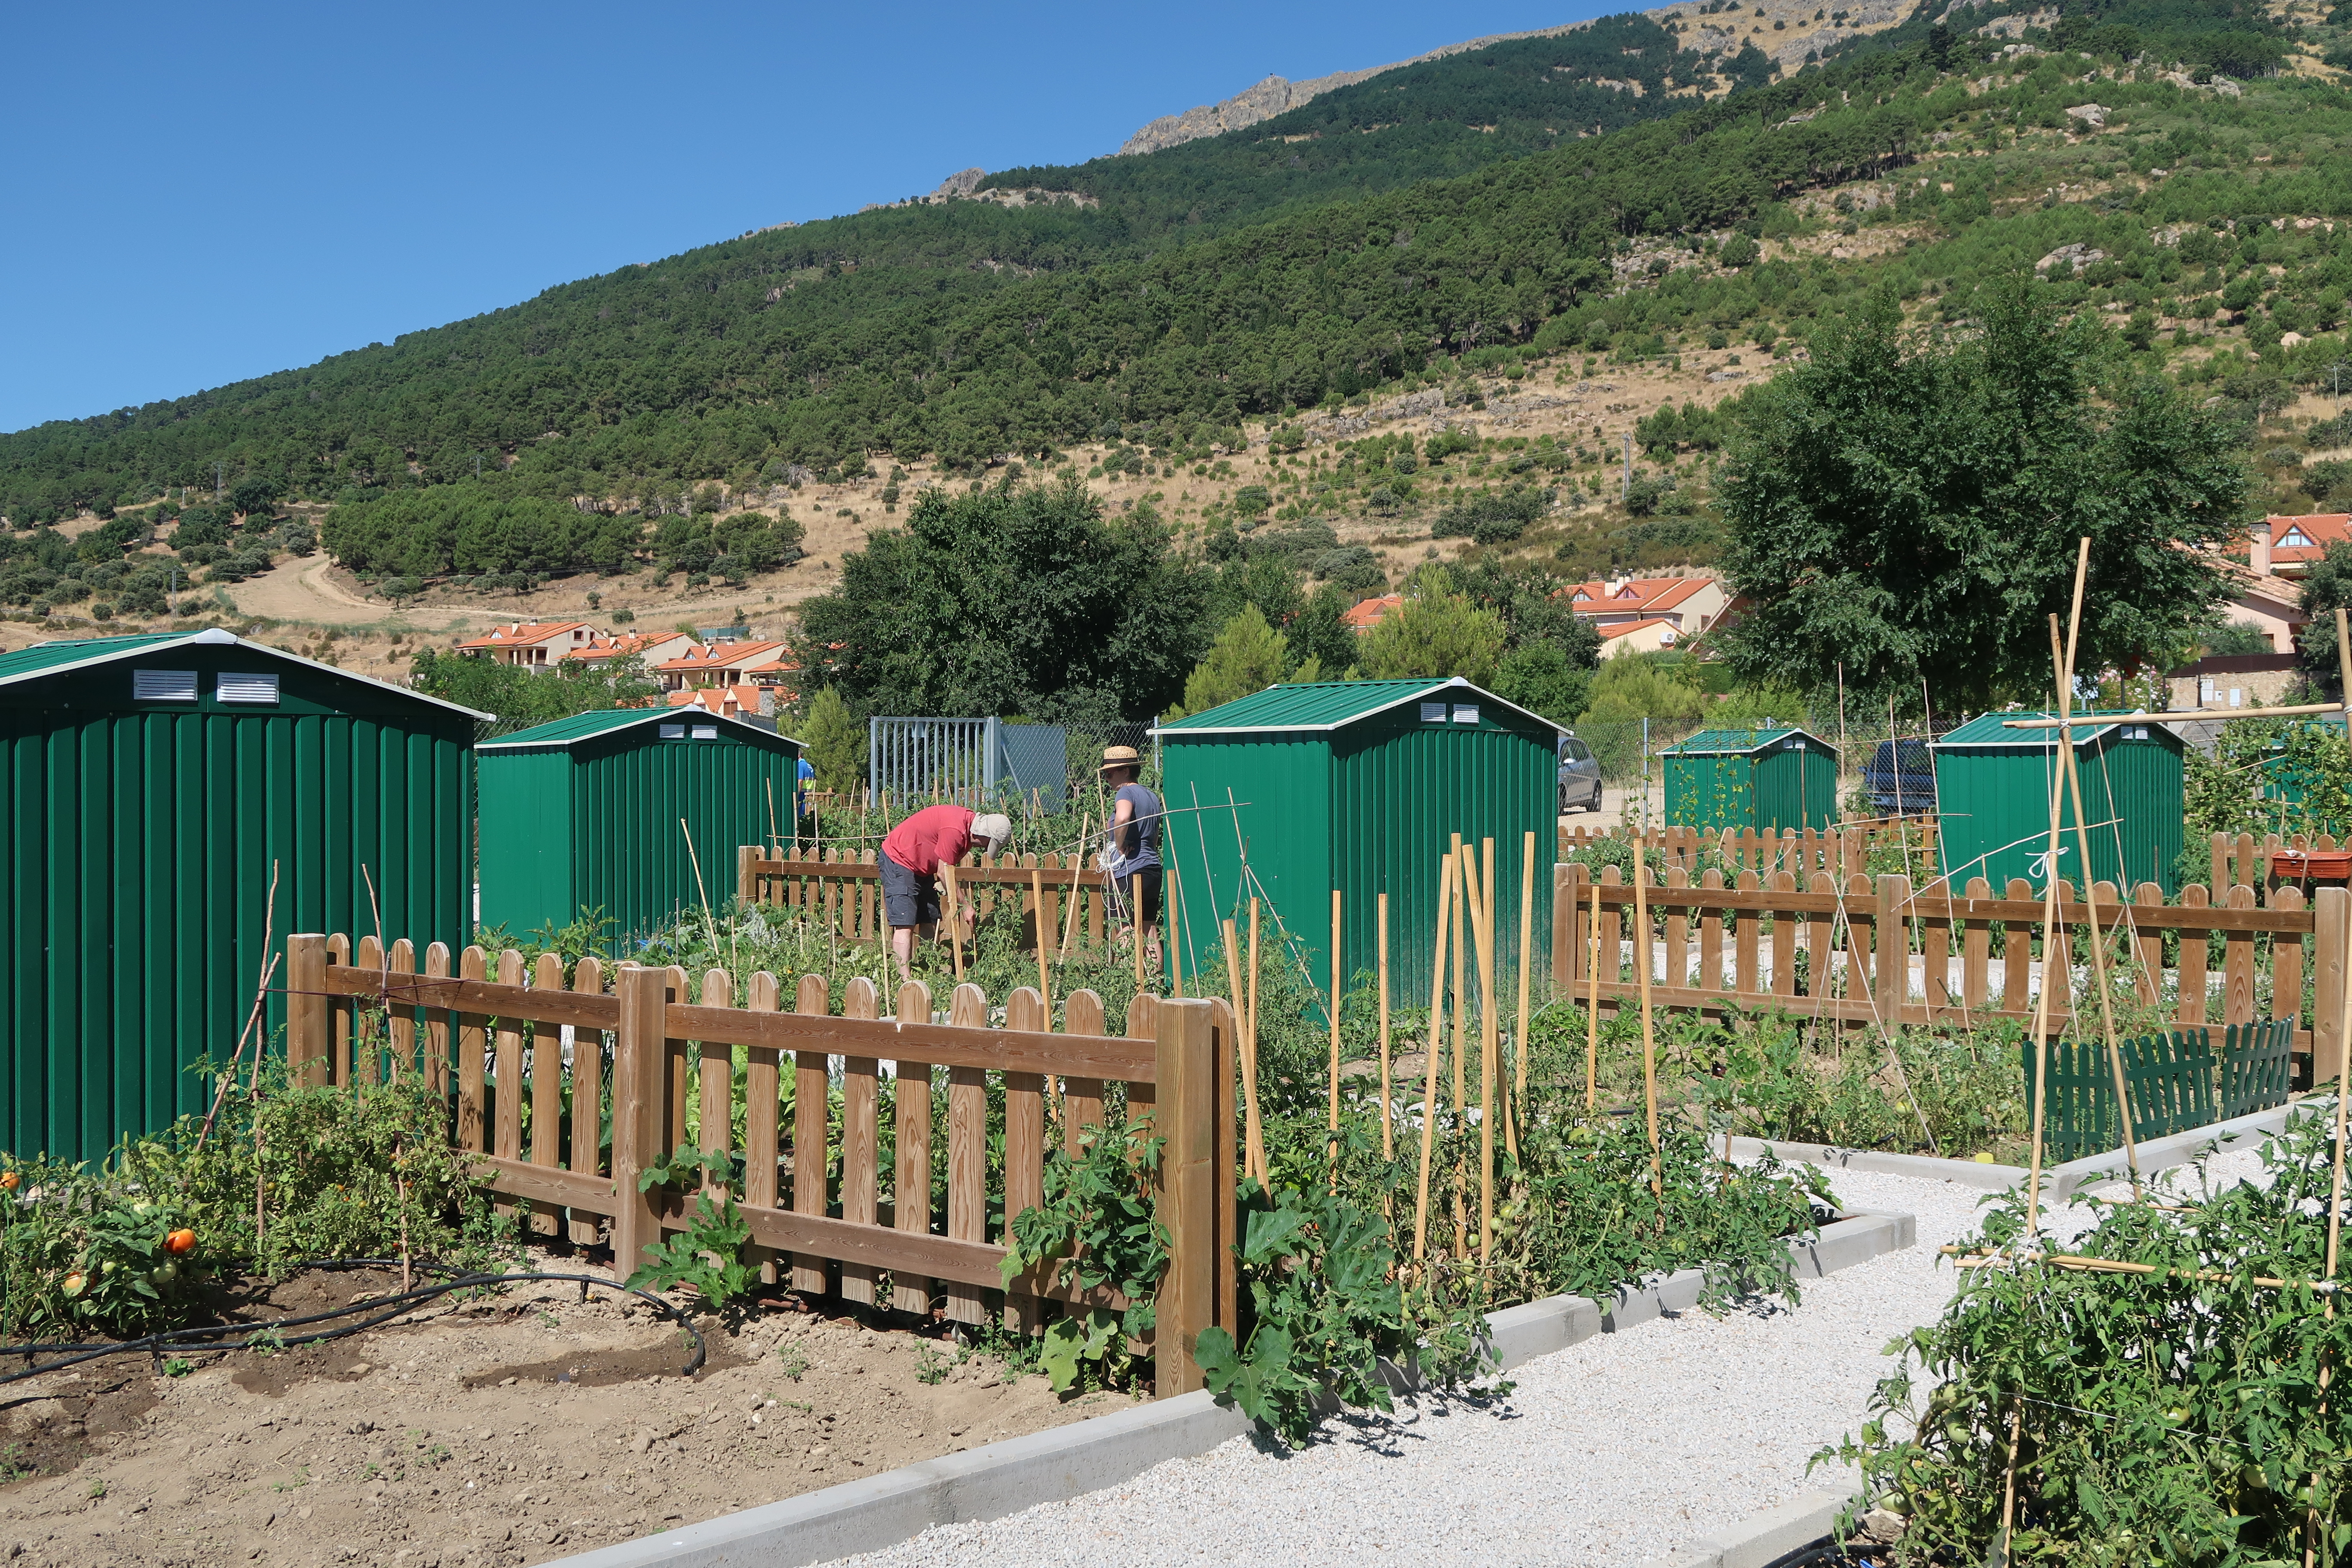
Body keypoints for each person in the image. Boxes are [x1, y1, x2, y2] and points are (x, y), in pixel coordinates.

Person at [879, 802, 1012, 986]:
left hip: (921, 868)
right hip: (899, 859)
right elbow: (944, 873)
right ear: (983, 834)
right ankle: (905, 982)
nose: (985, 848)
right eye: (989, 844)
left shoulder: (966, 828)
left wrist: (946, 886)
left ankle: (928, 972)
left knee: (930, 919)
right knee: (905, 923)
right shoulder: (956, 829)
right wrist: (965, 906)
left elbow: (944, 865)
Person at [1098, 746, 1163, 972]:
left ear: (1126, 771)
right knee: (1149, 928)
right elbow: (1154, 835)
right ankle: (1154, 981)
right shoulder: (1151, 796)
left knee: (1124, 926)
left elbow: (1123, 818)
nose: (1107, 779)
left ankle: (1130, 980)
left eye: (1109, 773)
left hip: (1130, 869)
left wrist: (1119, 845)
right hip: (1152, 868)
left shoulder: (1125, 793)